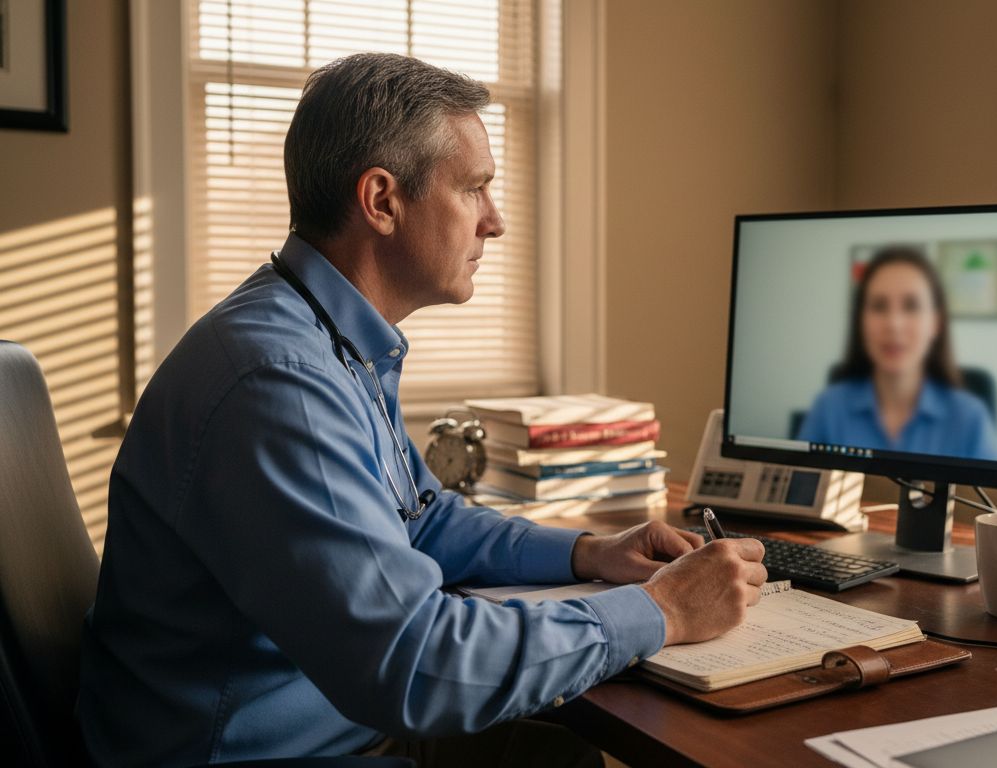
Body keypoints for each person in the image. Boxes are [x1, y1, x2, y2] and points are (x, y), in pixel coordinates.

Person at [77, 53, 767, 767]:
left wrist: (588, 553)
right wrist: (665, 610)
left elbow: (418, 518)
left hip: (331, 723)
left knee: (562, 754)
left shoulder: (325, 338)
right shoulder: (279, 383)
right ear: (381, 201)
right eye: (474, 189)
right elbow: (414, 664)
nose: (494, 222)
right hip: (249, 756)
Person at [796, 247, 997, 459]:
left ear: (935, 323)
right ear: (860, 321)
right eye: (879, 306)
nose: (894, 324)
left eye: (911, 306)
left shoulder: (971, 419)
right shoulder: (828, 409)